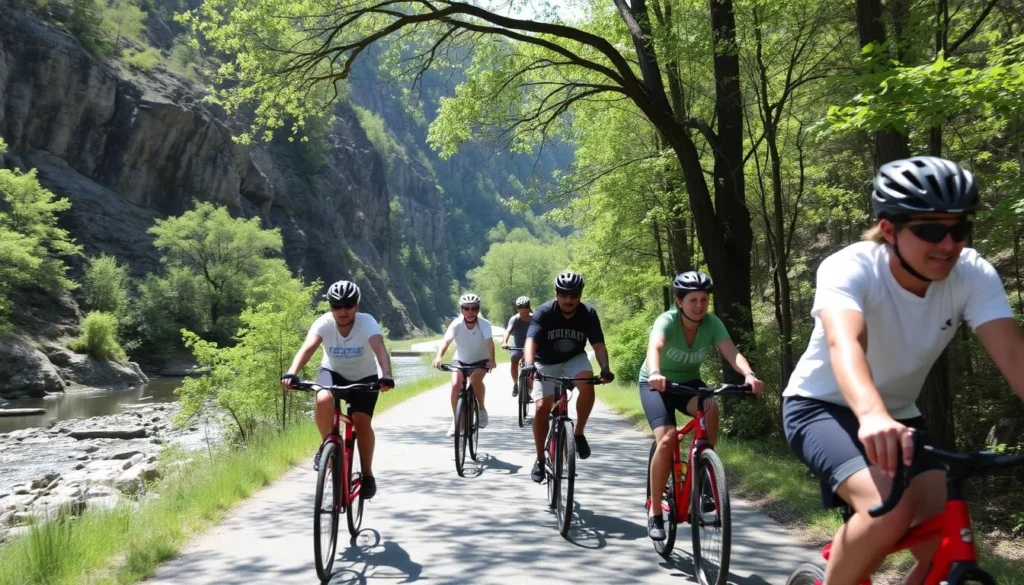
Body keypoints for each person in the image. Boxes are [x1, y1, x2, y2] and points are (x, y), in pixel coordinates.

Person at [782, 156, 1024, 585]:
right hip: (821, 407)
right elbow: (846, 343)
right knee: (887, 512)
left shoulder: (972, 274)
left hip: (899, 416)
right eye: (930, 229)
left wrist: (884, 416)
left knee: (943, 546)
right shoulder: (850, 266)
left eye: (959, 228)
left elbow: (1014, 355)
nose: (948, 244)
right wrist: (872, 415)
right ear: (889, 230)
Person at [640, 270, 764, 540]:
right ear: (679, 301)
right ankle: (655, 513)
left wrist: (749, 375)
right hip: (656, 383)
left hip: (689, 384)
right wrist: (655, 372)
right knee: (668, 439)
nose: (699, 306)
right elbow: (656, 346)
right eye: (693, 300)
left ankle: (707, 469)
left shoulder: (712, 323)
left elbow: (732, 352)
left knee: (711, 407)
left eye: (704, 300)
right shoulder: (667, 321)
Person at [280, 280, 395, 500]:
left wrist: (386, 375)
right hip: (332, 372)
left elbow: (379, 348)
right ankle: (328, 446)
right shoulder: (323, 323)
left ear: (357, 305)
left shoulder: (366, 322)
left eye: (348, 305)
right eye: (336, 306)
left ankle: (368, 475)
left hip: (365, 377)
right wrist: (292, 372)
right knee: (323, 398)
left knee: (361, 423)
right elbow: (308, 347)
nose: (342, 311)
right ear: (330, 306)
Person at [521, 271, 614, 484]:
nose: (568, 300)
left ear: (580, 295)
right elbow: (531, 341)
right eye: (564, 295)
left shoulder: (588, 313)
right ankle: (540, 459)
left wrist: (605, 368)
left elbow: (598, 344)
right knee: (541, 407)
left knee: (587, 384)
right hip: (545, 362)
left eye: (573, 295)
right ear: (556, 294)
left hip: (574, 359)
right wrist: (528, 364)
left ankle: (578, 433)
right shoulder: (544, 312)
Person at [433, 293, 496, 437]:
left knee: (475, 380)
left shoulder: (484, 324)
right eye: (466, 308)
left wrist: (492, 359)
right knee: (456, 386)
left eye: (474, 308)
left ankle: (481, 409)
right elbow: (446, 341)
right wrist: (438, 357)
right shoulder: (456, 324)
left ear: (478, 309)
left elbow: (489, 342)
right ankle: (456, 421)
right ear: (461, 309)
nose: (470, 312)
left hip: (480, 361)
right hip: (460, 360)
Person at [501, 296, 532, 397]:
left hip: (532, 345)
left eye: (525, 307)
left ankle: (530, 389)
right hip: (518, 345)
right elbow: (508, 331)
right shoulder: (514, 319)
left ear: (529, 308)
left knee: (533, 365)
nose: (523, 310)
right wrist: (504, 342)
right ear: (517, 308)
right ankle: (515, 384)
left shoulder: (534, 318)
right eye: (520, 307)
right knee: (514, 359)